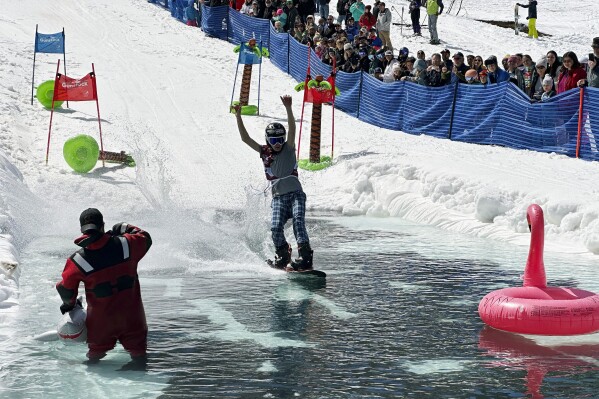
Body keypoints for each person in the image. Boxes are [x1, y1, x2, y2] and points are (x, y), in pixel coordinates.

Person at [56, 209, 152, 366]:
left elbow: (66, 290)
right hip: (133, 319)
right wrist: (124, 227)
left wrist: (70, 305)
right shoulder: (127, 244)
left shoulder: (77, 260)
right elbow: (145, 238)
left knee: (94, 359)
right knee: (139, 358)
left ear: (82, 230)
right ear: (103, 225)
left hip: (101, 325)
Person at [233, 96, 314, 271]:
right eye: (273, 140)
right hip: (278, 198)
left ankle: (305, 256)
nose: (277, 144)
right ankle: (283, 254)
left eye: (280, 140)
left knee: (298, 221)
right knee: (275, 227)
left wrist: (289, 108)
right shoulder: (264, 151)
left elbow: (293, 128)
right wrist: (238, 116)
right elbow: (245, 139)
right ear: (268, 140)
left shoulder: (289, 147)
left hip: (296, 195)